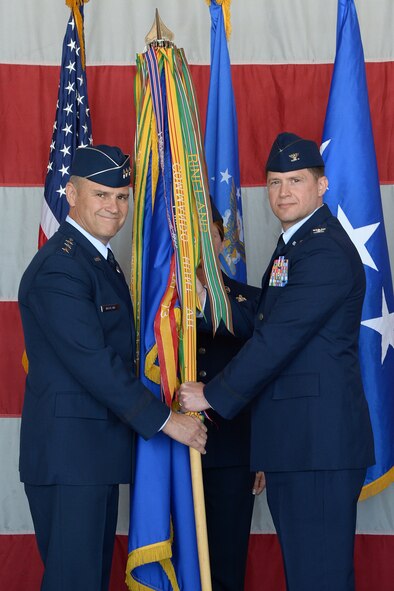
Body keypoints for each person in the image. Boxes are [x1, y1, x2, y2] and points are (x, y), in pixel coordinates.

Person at [179, 133, 375, 591]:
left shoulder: (322, 248)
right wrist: (207, 287)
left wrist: (211, 394)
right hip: (299, 443)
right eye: (274, 182)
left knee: (319, 578)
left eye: (296, 180)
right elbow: (265, 313)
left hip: (316, 446)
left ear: (321, 185)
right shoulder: (296, 243)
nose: (284, 192)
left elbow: (277, 338)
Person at [18, 145, 207, 591]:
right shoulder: (61, 268)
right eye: (101, 194)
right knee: (74, 582)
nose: (114, 206)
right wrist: (166, 422)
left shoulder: (97, 259)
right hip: (70, 459)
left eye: (122, 196)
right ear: (70, 192)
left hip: (92, 455)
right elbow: (94, 363)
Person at [197, 204, 264, 591]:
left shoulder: (251, 301)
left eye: (213, 234)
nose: (205, 244)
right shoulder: (160, 302)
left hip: (232, 453)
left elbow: (264, 382)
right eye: (194, 236)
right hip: (167, 448)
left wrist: (263, 452)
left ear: (223, 242)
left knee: (225, 564)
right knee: (169, 560)